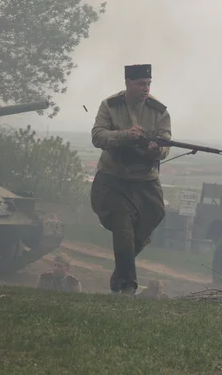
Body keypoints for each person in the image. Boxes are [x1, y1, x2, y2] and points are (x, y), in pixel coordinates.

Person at [90, 63, 171, 296]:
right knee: (123, 227)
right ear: (127, 83)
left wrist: (157, 151)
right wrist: (125, 135)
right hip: (114, 177)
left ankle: (120, 272)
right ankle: (127, 286)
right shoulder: (110, 105)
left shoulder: (159, 111)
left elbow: (166, 143)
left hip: (146, 178)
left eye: (148, 84)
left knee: (154, 215)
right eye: (140, 84)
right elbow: (98, 136)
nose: (145, 88)